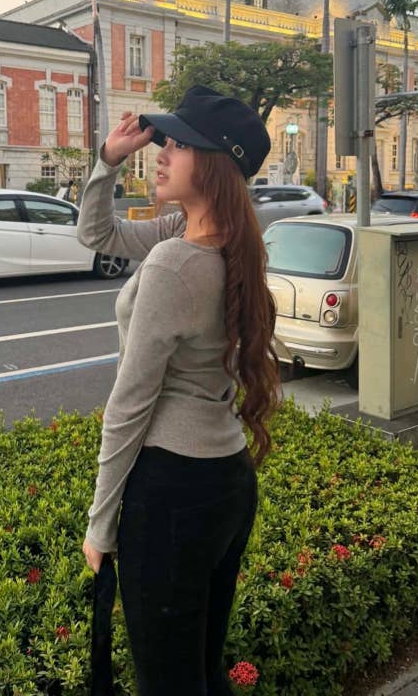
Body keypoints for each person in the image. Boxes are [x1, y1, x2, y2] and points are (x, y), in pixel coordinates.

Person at [77, 84, 282, 695]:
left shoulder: (175, 261)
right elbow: (97, 234)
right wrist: (108, 160)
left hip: (172, 492)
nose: (161, 152)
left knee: (168, 680)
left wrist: (100, 524)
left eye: (180, 143)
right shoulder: (222, 240)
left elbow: (130, 403)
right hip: (227, 481)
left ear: (215, 162)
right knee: (201, 667)